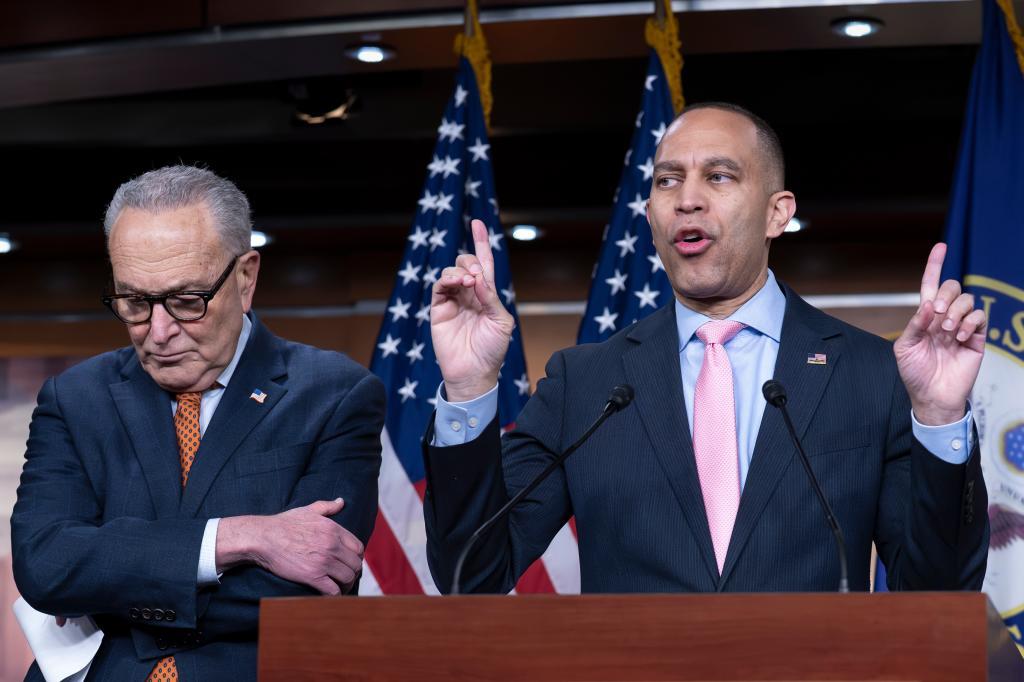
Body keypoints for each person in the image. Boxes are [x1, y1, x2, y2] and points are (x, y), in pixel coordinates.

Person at [423, 102, 989, 594]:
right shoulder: (585, 383)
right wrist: (470, 388)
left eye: (718, 176)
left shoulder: (869, 373)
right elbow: (473, 575)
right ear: (649, 216)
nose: (687, 200)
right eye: (668, 181)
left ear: (778, 213)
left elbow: (937, 587)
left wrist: (939, 417)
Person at [11, 165, 384, 680]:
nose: (158, 332)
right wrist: (235, 538)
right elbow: (46, 565)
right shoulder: (75, 398)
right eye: (135, 302)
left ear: (246, 277)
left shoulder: (335, 393)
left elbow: (304, 586)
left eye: (188, 301)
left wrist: (109, 588)